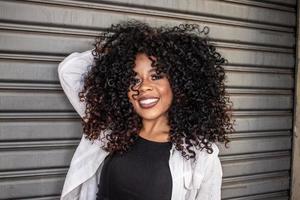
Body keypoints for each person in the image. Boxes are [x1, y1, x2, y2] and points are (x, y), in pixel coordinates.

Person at [58, 20, 234, 200]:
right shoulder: (112, 128)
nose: (143, 87)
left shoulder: (200, 155)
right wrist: (122, 53)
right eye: (134, 79)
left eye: (156, 76)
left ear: (178, 83)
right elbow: (68, 71)